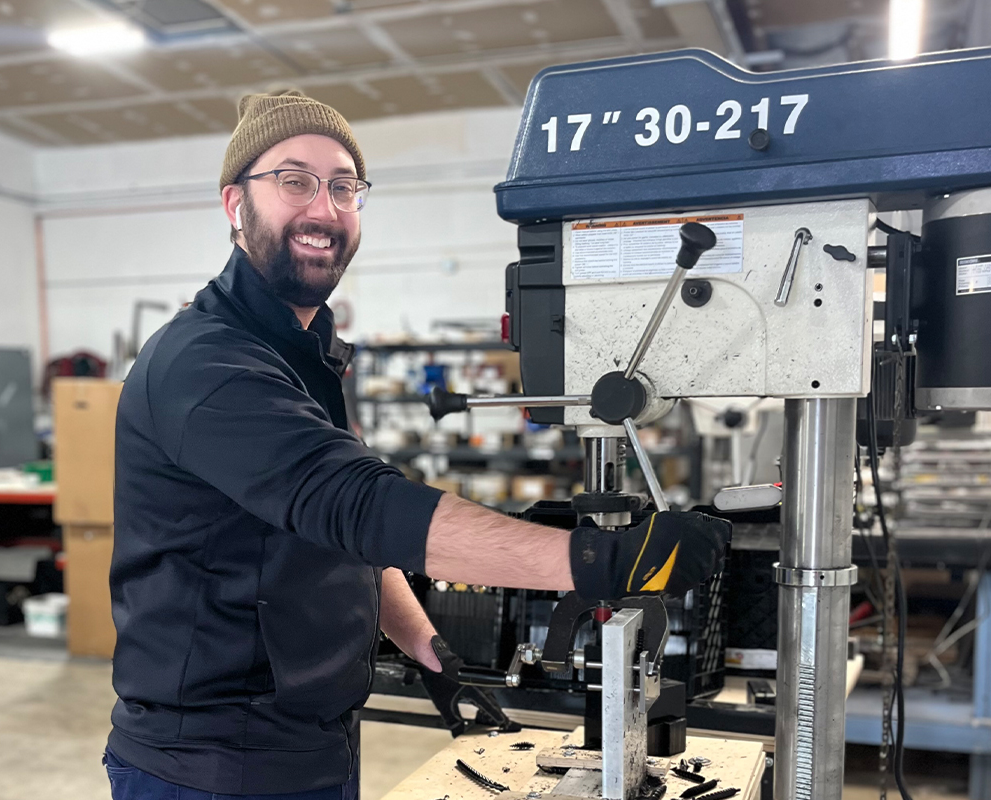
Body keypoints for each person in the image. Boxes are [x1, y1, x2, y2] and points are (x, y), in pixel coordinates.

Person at [103, 89, 731, 800]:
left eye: (344, 187)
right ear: (233, 203)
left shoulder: (303, 355)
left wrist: (432, 656)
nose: (324, 208)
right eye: (293, 180)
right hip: (209, 769)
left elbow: (346, 538)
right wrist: (601, 560)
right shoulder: (207, 363)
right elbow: (357, 506)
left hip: (308, 741)